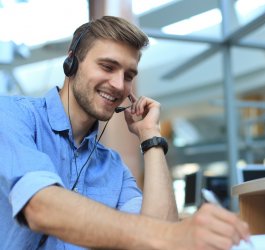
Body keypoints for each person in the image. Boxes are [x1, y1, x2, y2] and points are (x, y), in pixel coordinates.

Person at [0, 16, 250, 249]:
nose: (119, 85)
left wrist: (150, 137)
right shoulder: (11, 116)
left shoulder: (113, 167)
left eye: (128, 75)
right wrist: (175, 236)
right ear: (72, 62)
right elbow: (40, 207)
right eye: (108, 67)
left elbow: (158, 230)